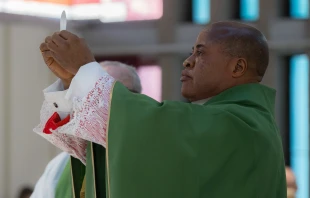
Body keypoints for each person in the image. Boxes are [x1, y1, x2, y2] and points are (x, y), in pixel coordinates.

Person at [34, 21, 287, 198]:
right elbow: (108, 140)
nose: (188, 61)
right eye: (191, 52)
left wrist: (87, 70)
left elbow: (146, 126)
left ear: (238, 67)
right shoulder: (229, 120)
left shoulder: (242, 126)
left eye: (200, 53)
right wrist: (73, 83)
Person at [31, 61, 142, 198]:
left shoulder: (150, 157)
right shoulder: (58, 167)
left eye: (119, 94)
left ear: (139, 101)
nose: (107, 104)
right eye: (96, 96)